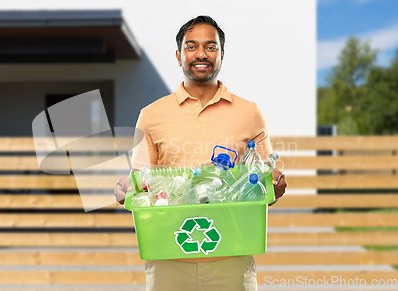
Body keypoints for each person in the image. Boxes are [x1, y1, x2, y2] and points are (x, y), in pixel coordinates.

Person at [114, 15, 287, 291]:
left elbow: (262, 185)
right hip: (168, 256)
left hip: (232, 255)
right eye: (191, 46)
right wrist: (125, 190)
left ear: (221, 54)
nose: (201, 54)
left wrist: (276, 186)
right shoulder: (151, 115)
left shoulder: (250, 113)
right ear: (178, 54)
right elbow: (140, 181)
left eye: (211, 46)